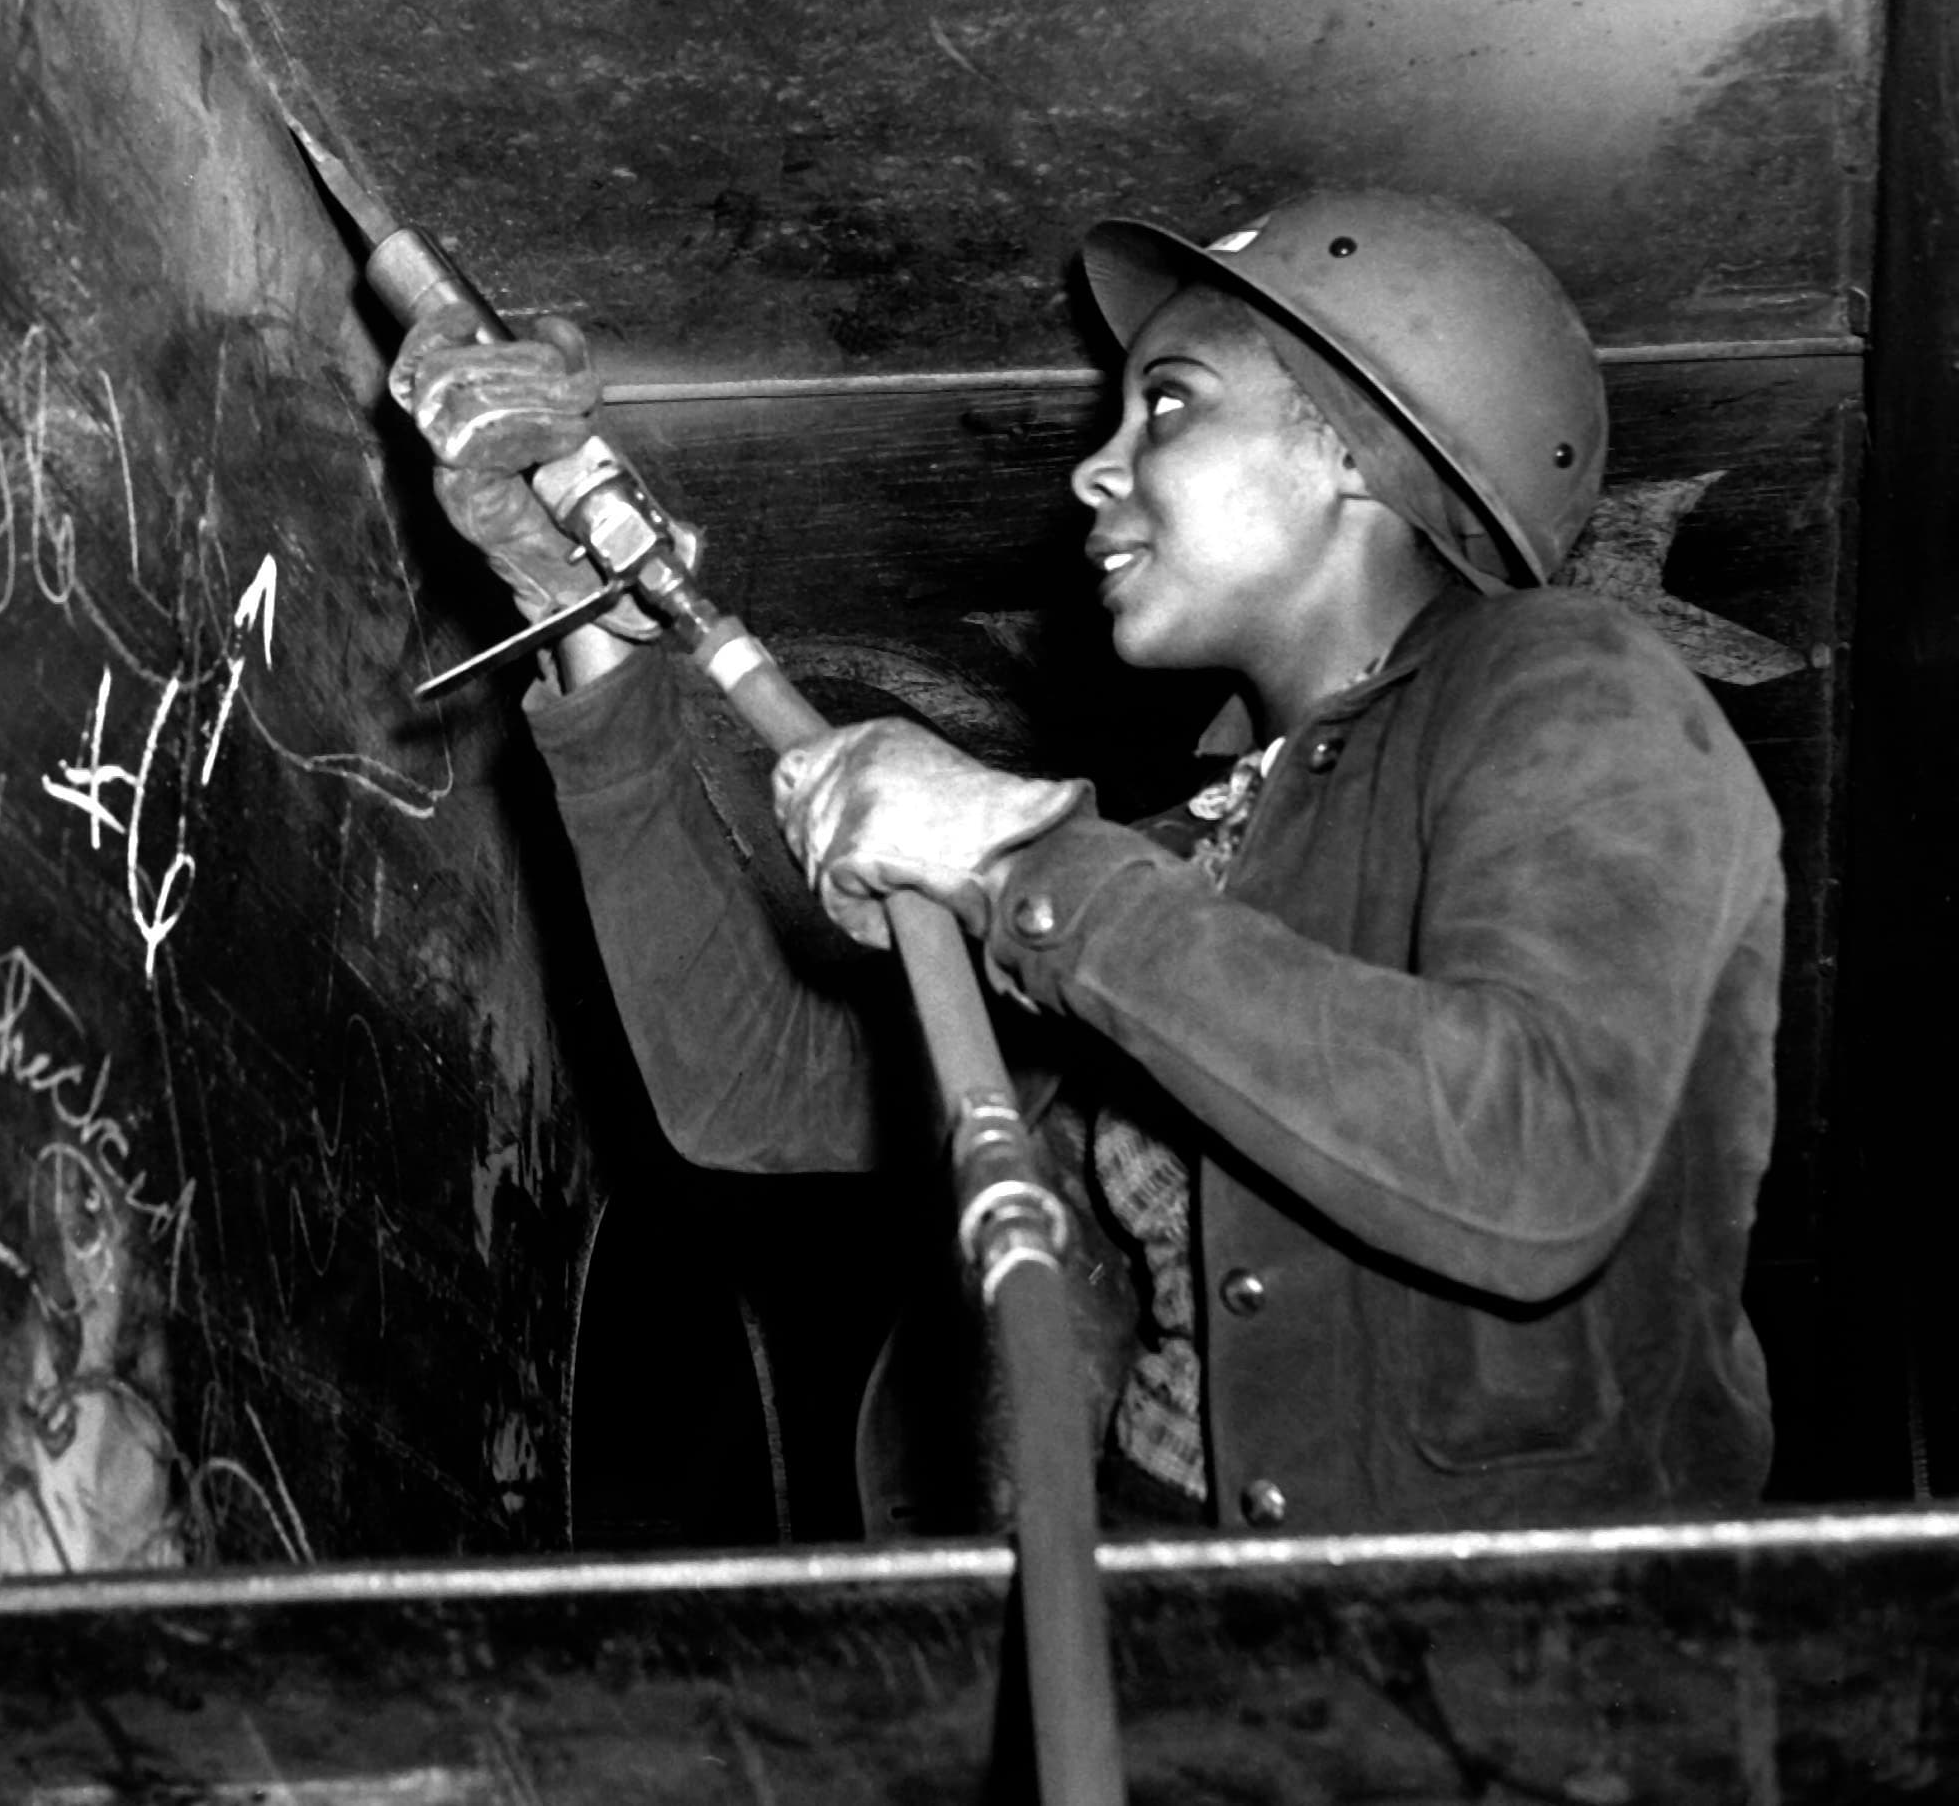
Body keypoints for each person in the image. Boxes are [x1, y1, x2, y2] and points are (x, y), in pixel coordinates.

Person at [391, 191, 1780, 1535]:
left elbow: (1534, 1152)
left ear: (1359, 450)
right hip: (1145, 1647)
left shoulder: (1576, 688)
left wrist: (1020, 863)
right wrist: (596, 631)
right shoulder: (1189, 858)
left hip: (1492, 1675)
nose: (1093, 470)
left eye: (1168, 403)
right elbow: (750, 1086)